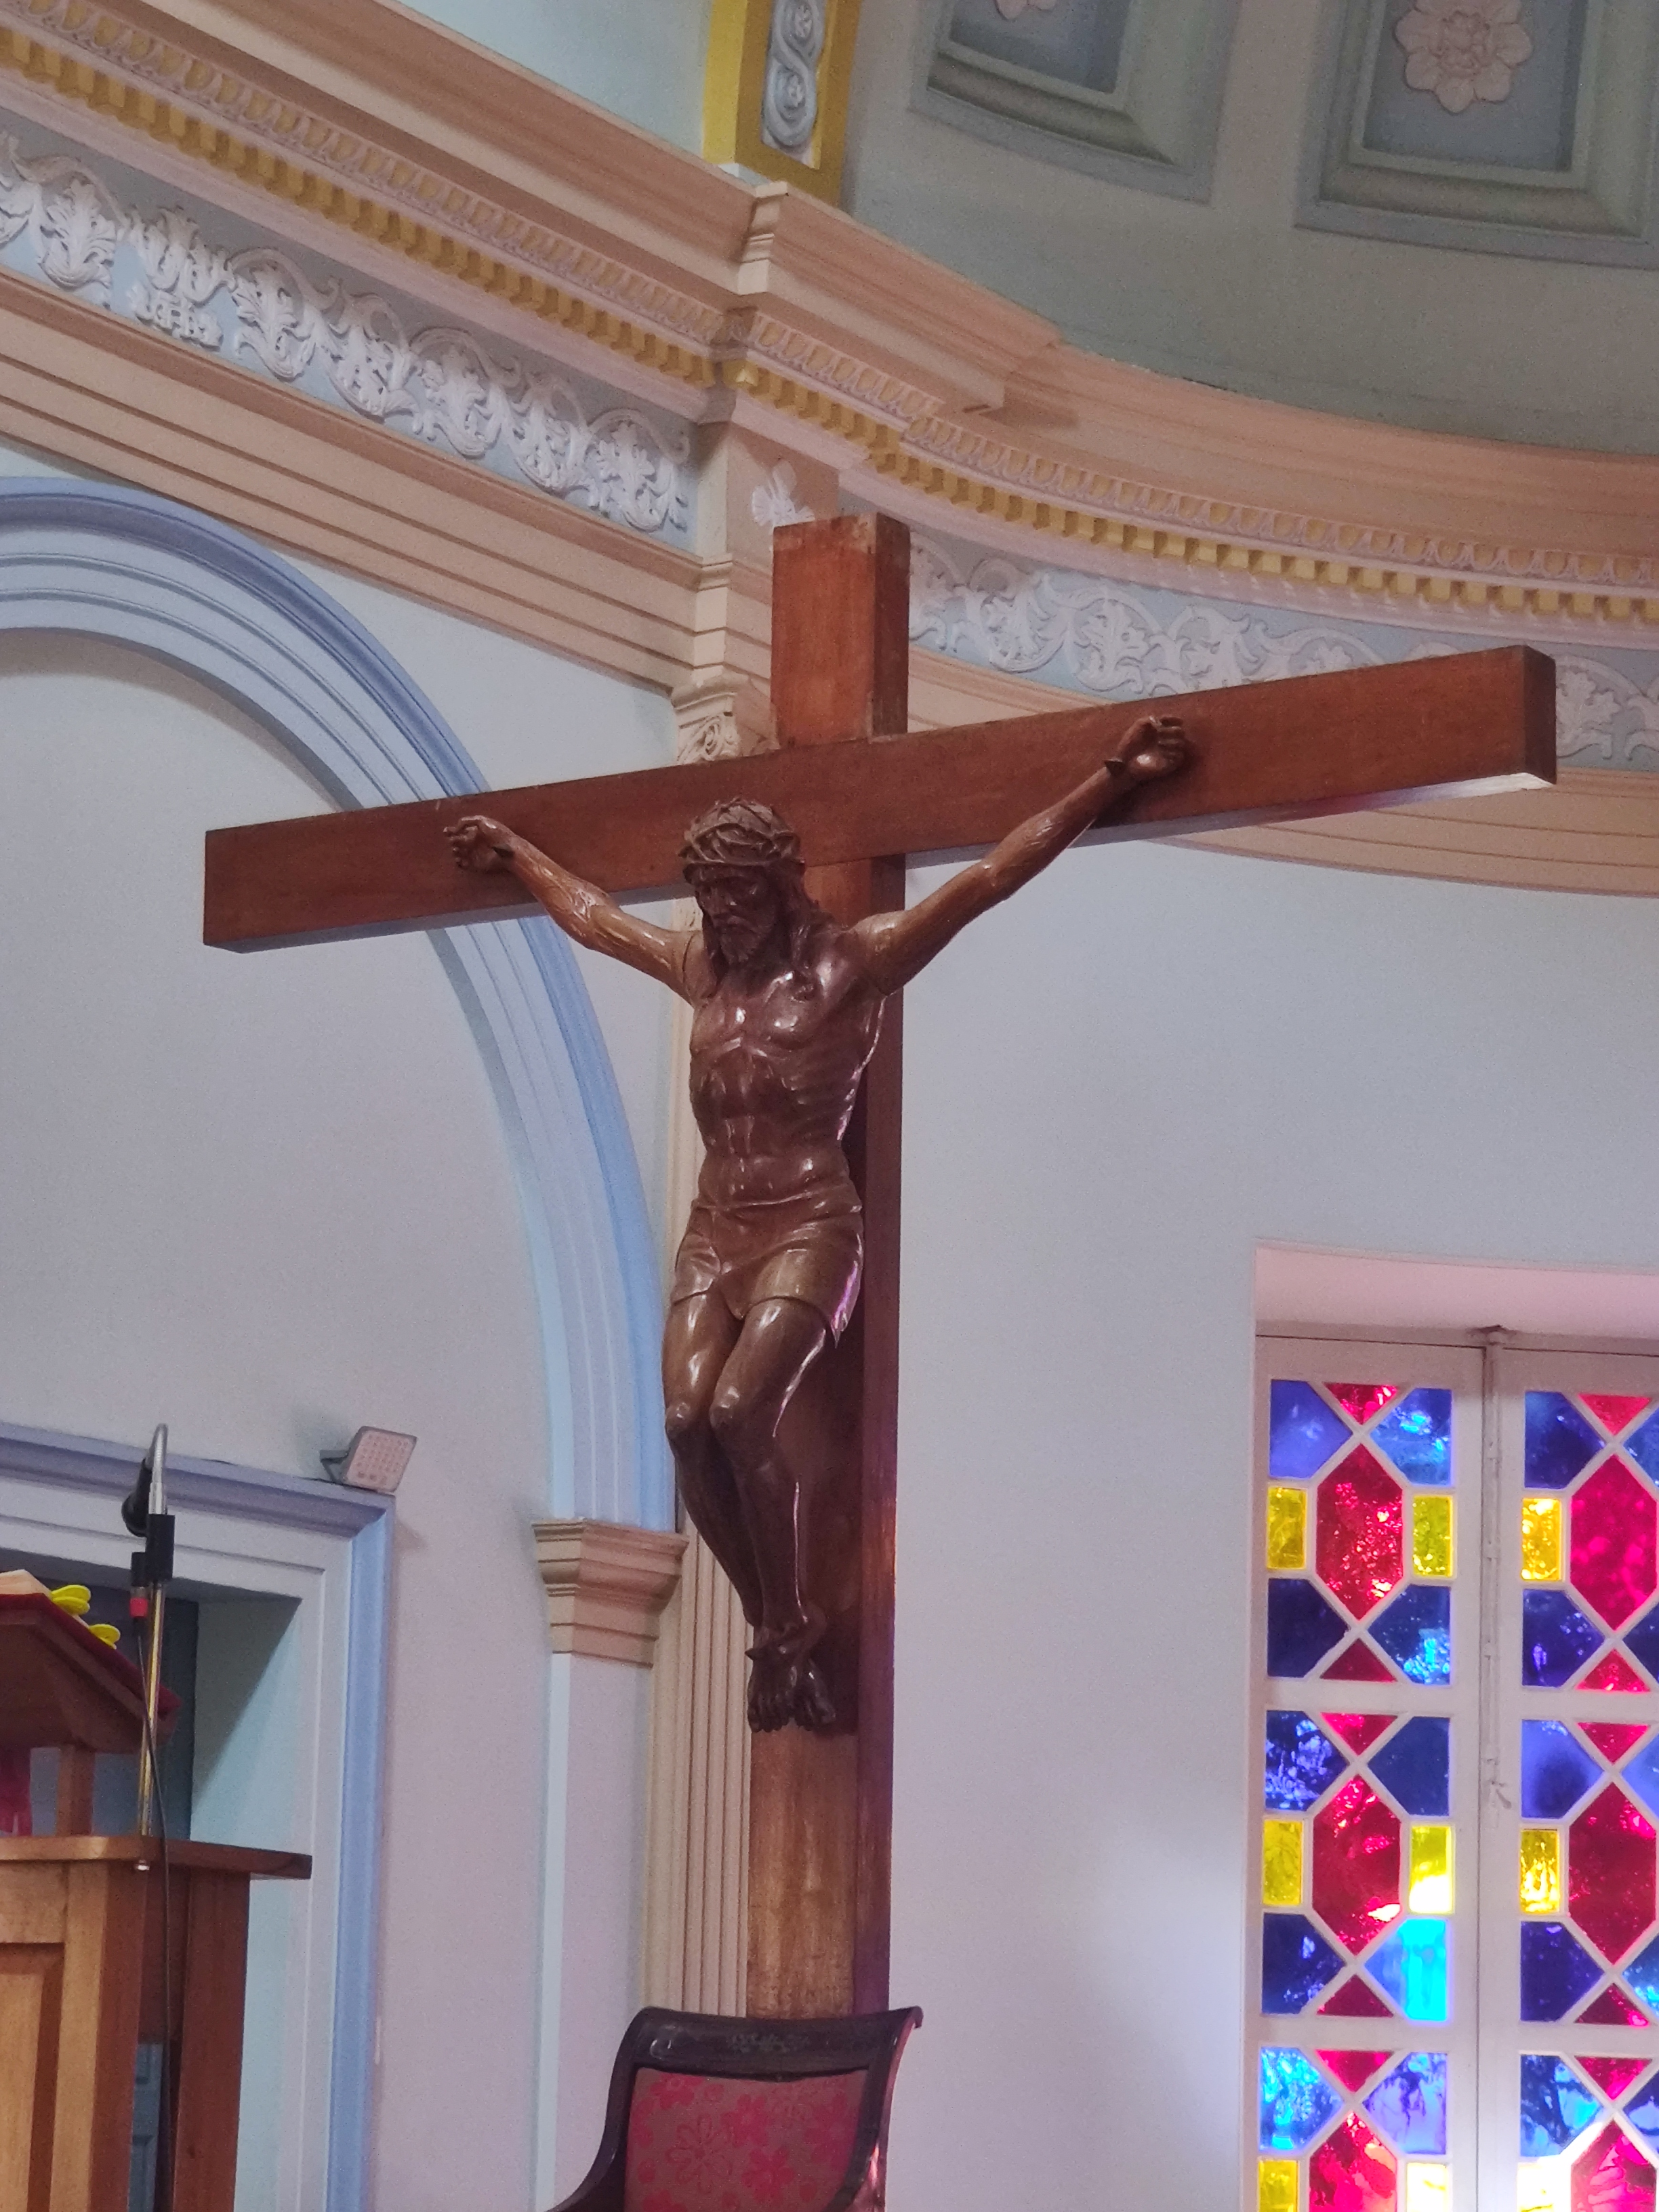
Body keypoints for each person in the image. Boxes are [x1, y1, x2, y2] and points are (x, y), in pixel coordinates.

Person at [447, 712, 1188, 1728]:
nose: (723, 915)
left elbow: (989, 877)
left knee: (739, 1410)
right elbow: (595, 919)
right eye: (709, 896)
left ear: (782, 884)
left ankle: (780, 1637)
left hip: (807, 1223)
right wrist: (517, 856)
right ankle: (783, 1624)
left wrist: (1111, 780)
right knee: (683, 1423)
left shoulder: (853, 966)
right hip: (717, 1228)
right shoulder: (702, 969)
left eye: (739, 893)